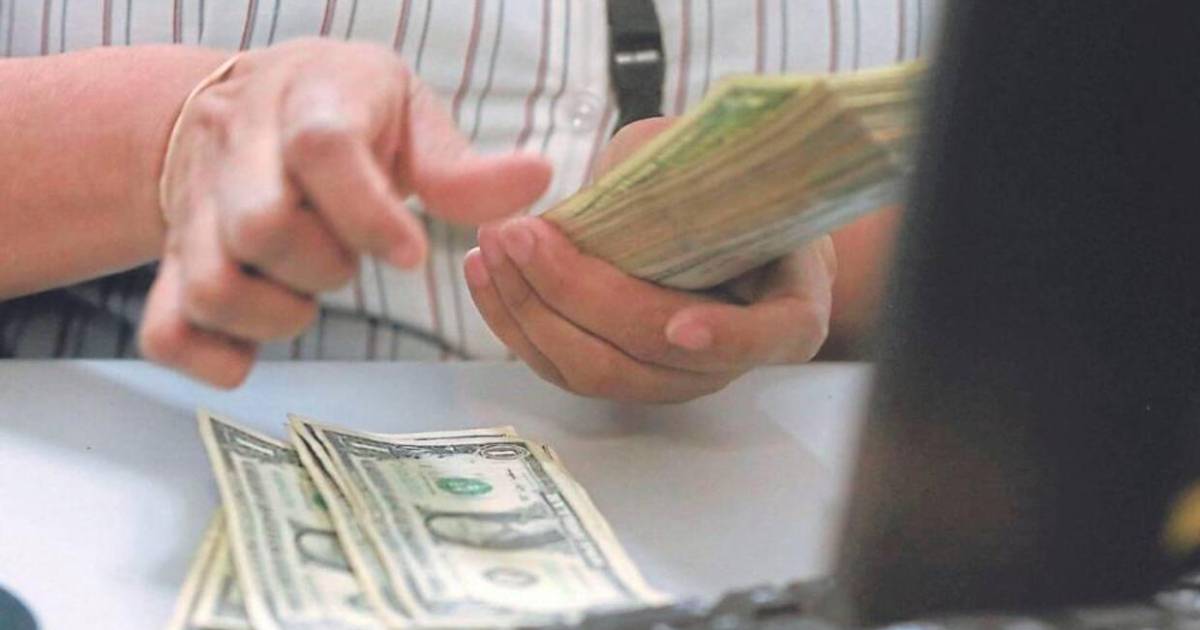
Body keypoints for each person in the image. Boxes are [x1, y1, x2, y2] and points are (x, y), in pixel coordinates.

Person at [0, 1, 937, 401]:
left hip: (769, 519)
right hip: (104, 492)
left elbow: (987, 201)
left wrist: (775, 235)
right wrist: (165, 137)